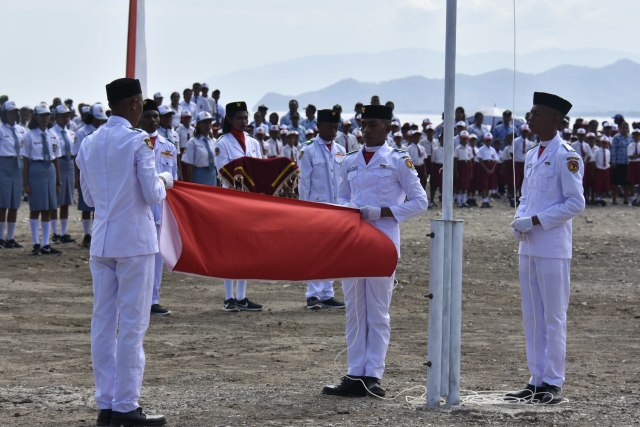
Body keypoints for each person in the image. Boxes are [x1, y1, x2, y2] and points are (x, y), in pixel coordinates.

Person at [76, 78, 170, 427]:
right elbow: (152, 193)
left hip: (102, 240)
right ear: (133, 104)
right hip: (133, 242)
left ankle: (106, 403)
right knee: (132, 325)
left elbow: (87, 198)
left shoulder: (89, 142)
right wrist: (165, 179)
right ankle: (126, 404)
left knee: (103, 322)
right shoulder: (138, 141)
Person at [323, 105, 428, 398]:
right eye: (363, 124)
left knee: (378, 311)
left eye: (372, 124)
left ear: (387, 128)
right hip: (354, 240)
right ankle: (354, 373)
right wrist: (347, 209)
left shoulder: (397, 160)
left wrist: (381, 212)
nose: (365, 130)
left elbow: (420, 201)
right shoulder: (350, 161)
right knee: (355, 309)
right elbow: (342, 195)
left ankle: (373, 375)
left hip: (382, 241)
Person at [508, 92, 585, 405]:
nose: (531, 118)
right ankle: (535, 378)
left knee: (553, 316)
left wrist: (537, 220)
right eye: (531, 112)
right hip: (528, 245)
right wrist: (519, 217)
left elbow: (575, 203)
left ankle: (552, 381)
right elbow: (526, 196)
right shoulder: (531, 154)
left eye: (537, 114)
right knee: (532, 316)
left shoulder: (568, 155)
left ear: (556, 120)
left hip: (552, 246)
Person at [214, 101, 264, 312]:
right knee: (230, 248)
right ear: (229, 120)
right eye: (239, 118)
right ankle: (228, 297)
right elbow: (222, 170)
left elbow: (260, 169)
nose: (244, 121)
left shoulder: (254, 143)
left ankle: (242, 296)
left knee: (247, 247)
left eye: (245, 117)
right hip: (231, 199)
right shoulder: (222, 142)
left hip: (250, 200)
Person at [297, 108, 347, 310]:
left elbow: (344, 181)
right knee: (316, 251)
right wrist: (303, 209)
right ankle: (312, 293)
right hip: (316, 208)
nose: (333, 130)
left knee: (333, 251)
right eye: (329, 127)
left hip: (336, 208)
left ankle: (327, 293)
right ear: (318, 127)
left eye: (335, 127)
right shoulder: (308, 149)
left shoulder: (340, 150)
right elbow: (304, 182)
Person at [138, 99, 178, 316]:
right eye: (148, 116)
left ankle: (153, 299)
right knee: (138, 254)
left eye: (155, 116)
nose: (152, 120)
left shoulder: (168, 146)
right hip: (138, 208)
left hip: (160, 207)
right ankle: (139, 299)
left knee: (157, 256)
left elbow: (174, 179)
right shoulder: (134, 142)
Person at [22, 103, 62, 255]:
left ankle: (45, 244)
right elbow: (26, 160)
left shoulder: (53, 135)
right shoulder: (29, 135)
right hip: (36, 169)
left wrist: (58, 180)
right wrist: (25, 182)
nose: (46, 118)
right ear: (36, 117)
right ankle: (35, 243)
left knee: (48, 208)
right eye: (42, 115)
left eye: (47, 115)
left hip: (49, 170)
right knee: (36, 208)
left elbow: (57, 159)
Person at [72, 103, 108, 248]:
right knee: (85, 205)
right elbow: (77, 155)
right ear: (91, 117)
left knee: (99, 205)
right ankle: (87, 234)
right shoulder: (81, 132)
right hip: (86, 171)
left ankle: (97, 234)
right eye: (97, 118)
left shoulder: (104, 131)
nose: (100, 121)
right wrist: (77, 176)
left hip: (101, 172)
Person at [0, 100, 27, 248]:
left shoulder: (21, 130)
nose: (12, 114)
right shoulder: (1, 130)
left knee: (14, 204)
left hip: (18, 165)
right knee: (3, 204)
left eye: (14, 112)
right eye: (9, 112)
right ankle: (0, 238)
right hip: (4, 165)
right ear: (4, 114)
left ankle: (10, 238)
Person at [49, 105, 77, 243]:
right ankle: (55, 233)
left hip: (70, 164)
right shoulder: (52, 132)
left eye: (67, 115)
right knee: (55, 201)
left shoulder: (71, 133)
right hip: (58, 164)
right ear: (56, 117)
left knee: (66, 200)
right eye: (62, 115)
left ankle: (64, 232)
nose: (66, 118)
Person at [181, 112, 217, 185]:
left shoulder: (214, 141)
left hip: (212, 174)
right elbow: (189, 165)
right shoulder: (192, 142)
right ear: (198, 125)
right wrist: (191, 184)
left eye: (209, 122)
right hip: (199, 175)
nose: (208, 125)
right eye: (204, 123)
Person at [610, 121, 631, 204]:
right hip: (618, 162)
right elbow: (613, 150)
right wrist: (613, 162)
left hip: (627, 162)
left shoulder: (630, 137)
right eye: (622, 128)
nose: (624, 129)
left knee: (627, 182)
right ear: (620, 128)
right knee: (615, 182)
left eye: (626, 128)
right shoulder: (616, 138)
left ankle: (625, 199)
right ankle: (614, 200)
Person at [477, 133, 499, 208]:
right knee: (484, 185)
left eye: (489, 140)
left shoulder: (493, 150)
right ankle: (484, 201)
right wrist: (486, 169)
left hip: (491, 167)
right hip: (484, 168)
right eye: (487, 140)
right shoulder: (481, 149)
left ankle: (487, 201)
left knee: (489, 185)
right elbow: (480, 160)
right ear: (484, 140)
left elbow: (496, 160)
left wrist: (492, 169)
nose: (488, 142)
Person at [453, 130, 473, 207]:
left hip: (467, 166)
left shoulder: (469, 148)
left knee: (465, 185)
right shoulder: (457, 148)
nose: (464, 140)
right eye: (463, 139)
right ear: (460, 139)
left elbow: (471, 160)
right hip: (460, 166)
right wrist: (456, 171)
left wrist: (471, 171)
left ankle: (464, 201)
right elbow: (455, 160)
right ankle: (459, 201)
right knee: (459, 185)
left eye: (466, 139)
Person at [626, 128, 640, 206]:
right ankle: (633, 197)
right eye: (635, 135)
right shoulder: (630, 146)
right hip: (632, 164)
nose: (636, 137)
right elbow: (630, 157)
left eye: (638, 135)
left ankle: (638, 197)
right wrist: (638, 155)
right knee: (632, 181)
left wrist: (636, 156)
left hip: (639, 163)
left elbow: (634, 156)